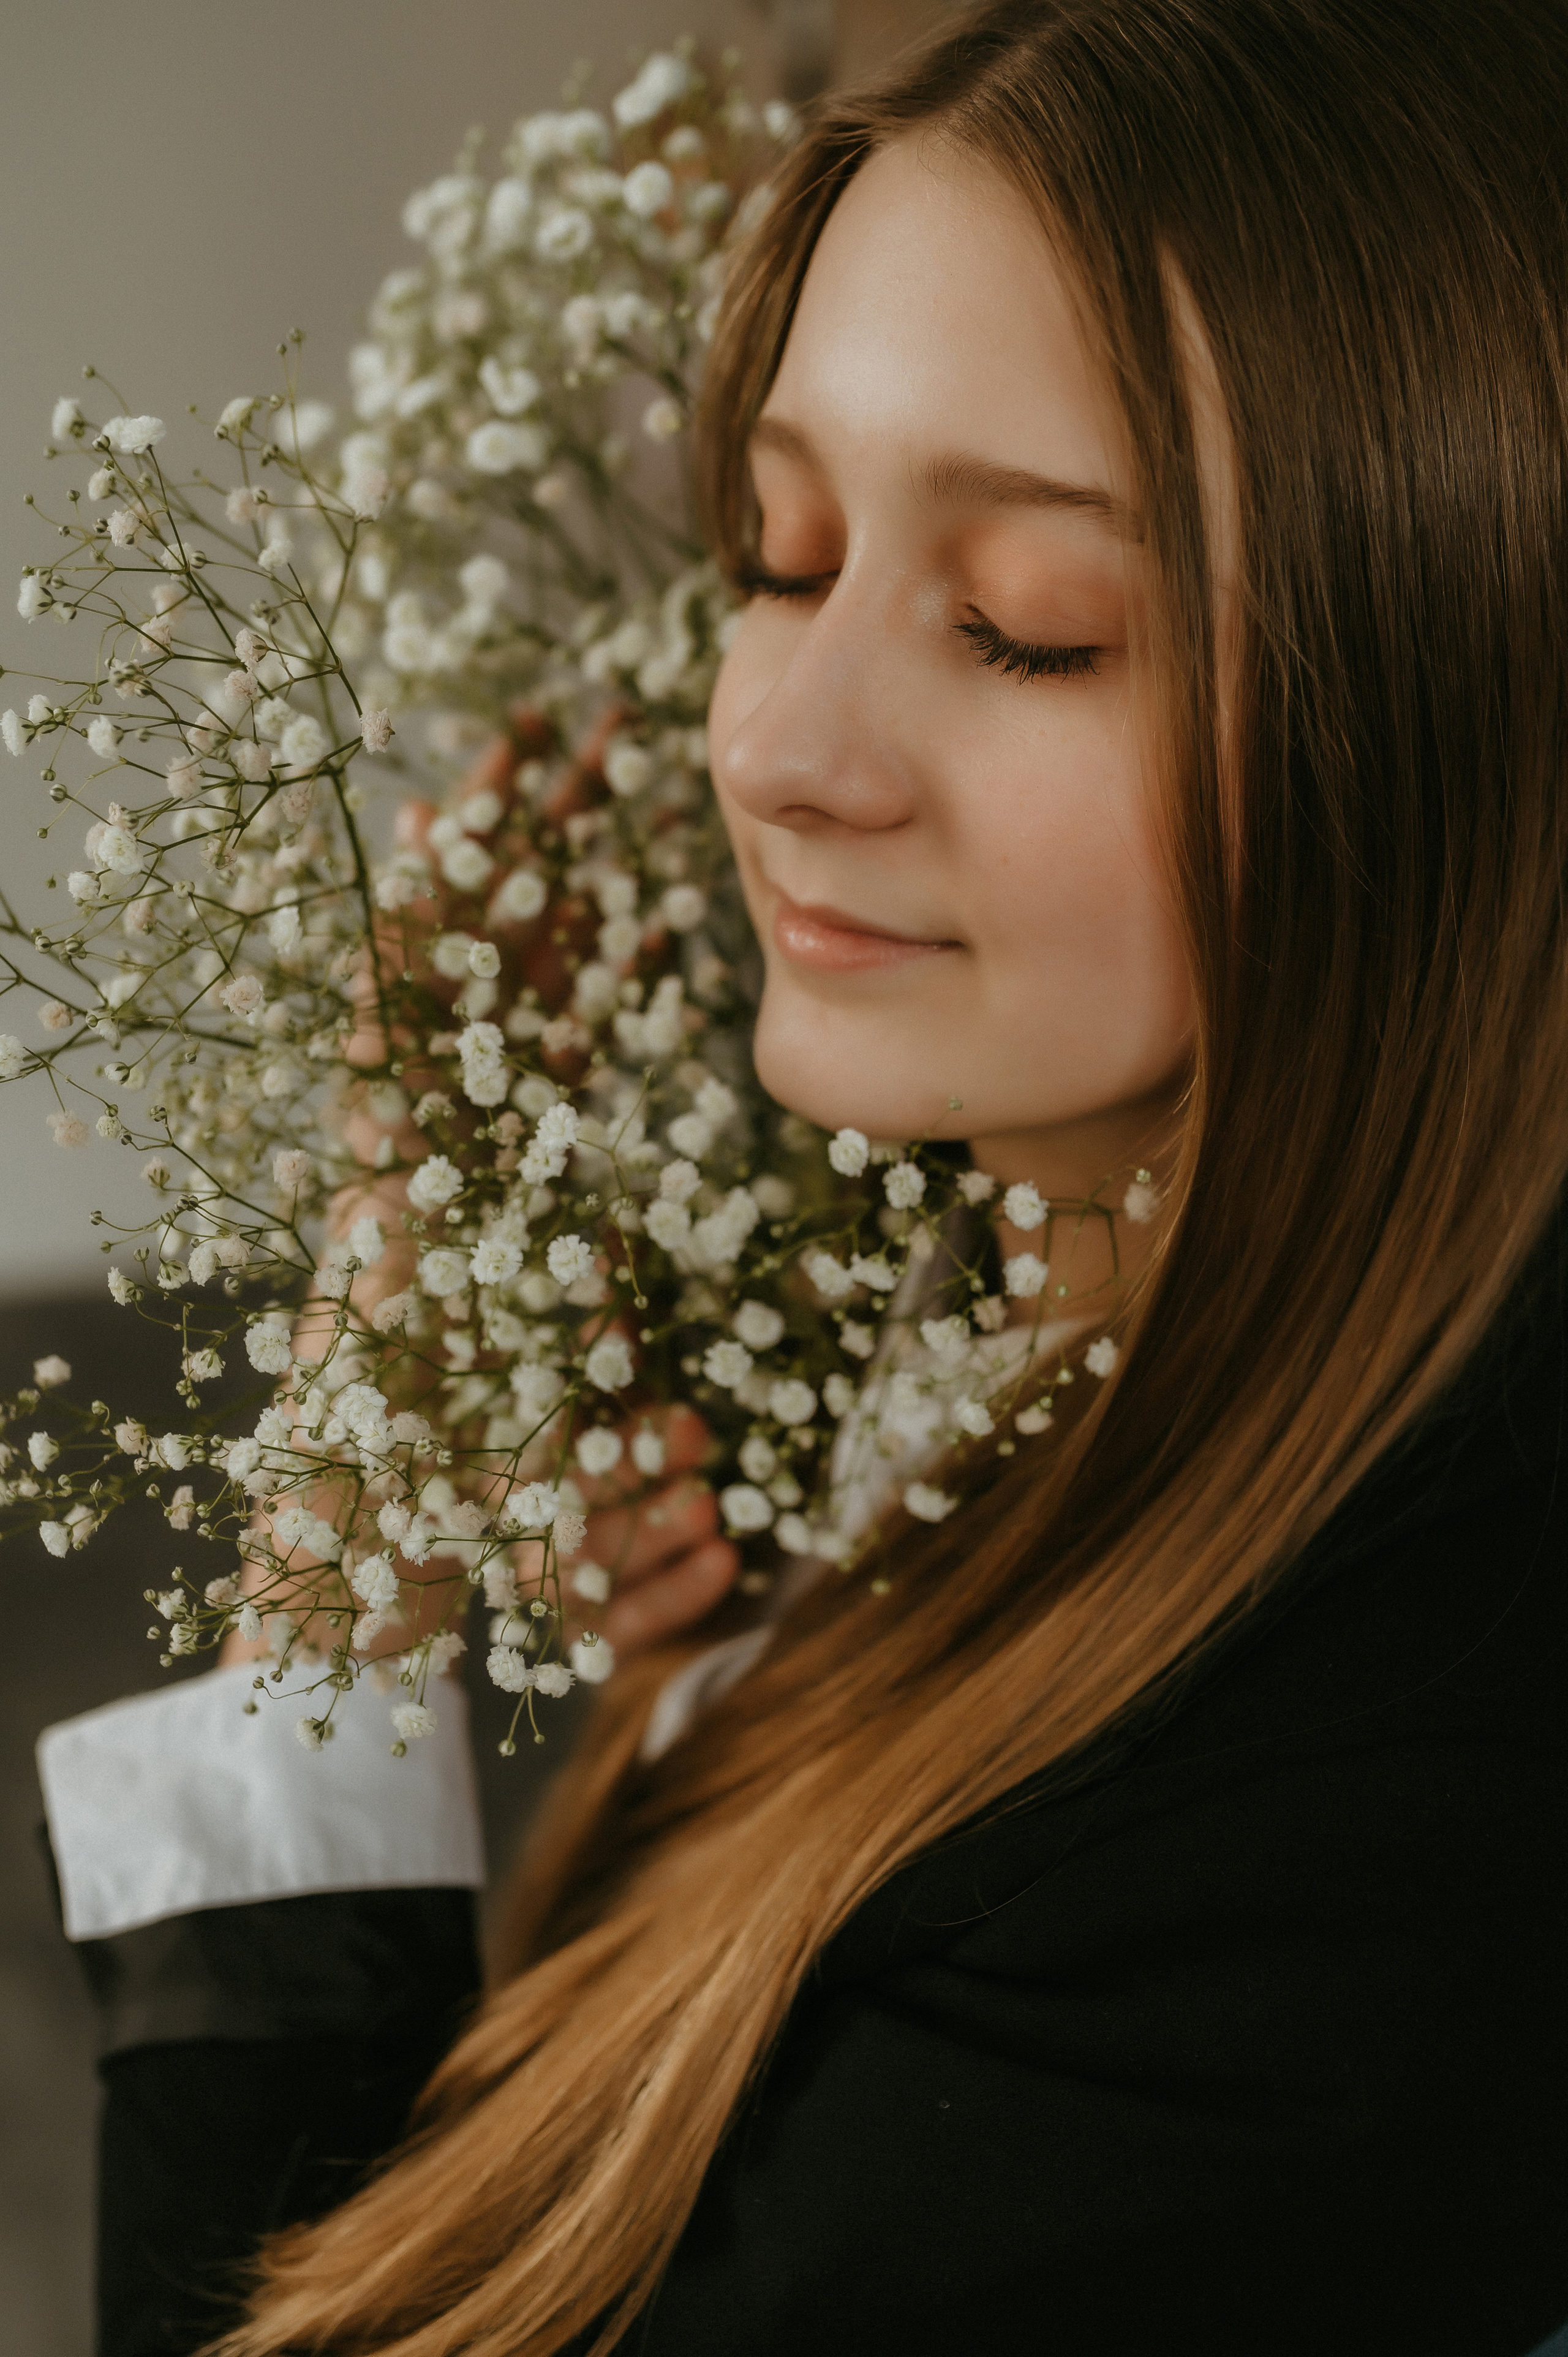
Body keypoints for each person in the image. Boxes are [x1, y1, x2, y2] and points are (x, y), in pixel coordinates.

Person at [34, 1, 1568, 2350]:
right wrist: (765, 1685)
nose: (777, 745)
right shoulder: (990, 1350)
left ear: (1442, 705)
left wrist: (345, 1546)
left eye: (1025, 629)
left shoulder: (1356, 1859)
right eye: (781, 552)